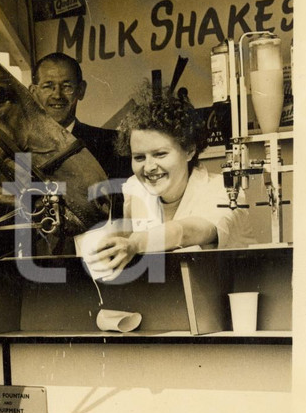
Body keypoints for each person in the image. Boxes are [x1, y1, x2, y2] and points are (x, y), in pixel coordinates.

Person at [82, 92, 257, 281]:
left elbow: (191, 231)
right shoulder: (135, 189)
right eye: (139, 157)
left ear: (189, 150)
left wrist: (134, 244)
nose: (148, 167)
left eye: (160, 154)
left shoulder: (224, 188)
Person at [0, 53, 129, 258]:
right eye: (48, 86)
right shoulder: (17, 156)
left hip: (98, 272)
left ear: (81, 90)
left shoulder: (111, 144)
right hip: (36, 279)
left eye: (67, 86)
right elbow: (2, 242)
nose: (57, 95)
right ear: (33, 92)